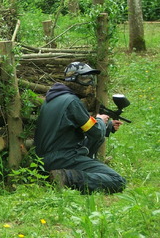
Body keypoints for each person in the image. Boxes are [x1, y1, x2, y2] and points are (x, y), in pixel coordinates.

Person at [34, 62, 126, 193]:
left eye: (91, 79)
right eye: (85, 79)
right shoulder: (72, 102)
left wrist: (108, 126)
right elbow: (96, 132)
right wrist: (100, 120)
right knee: (117, 180)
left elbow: (83, 128)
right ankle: (67, 177)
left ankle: (66, 174)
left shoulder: (53, 98)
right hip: (63, 158)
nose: (90, 83)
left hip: (46, 159)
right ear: (74, 79)